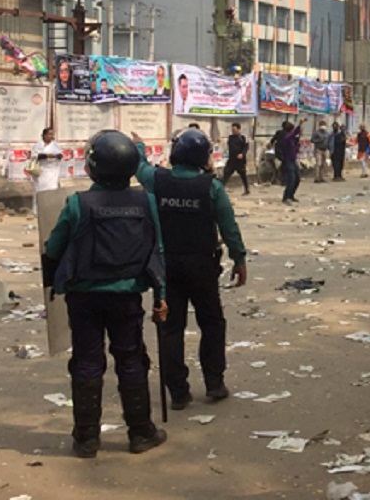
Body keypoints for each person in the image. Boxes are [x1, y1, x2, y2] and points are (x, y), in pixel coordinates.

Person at [42, 130, 168, 457]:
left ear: (93, 167)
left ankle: (86, 438)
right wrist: (161, 295)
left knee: (86, 361)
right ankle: (141, 433)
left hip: (83, 298)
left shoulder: (78, 203)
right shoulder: (146, 201)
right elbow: (158, 250)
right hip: (127, 296)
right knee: (131, 360)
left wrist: (52, 284)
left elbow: (54, 247)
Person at [133, 128, 247, 410]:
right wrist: (239, 259)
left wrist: (138, 145)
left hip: (166, 265)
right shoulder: (211, 187)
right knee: (212, 322)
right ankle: (214, 382)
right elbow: (228, 227)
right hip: (202, 265)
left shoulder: (156, 181)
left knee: (170, 327)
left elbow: (139, 166)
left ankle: (178, 392)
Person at [31, 127, 64, 216]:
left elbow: (60, 155)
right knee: (40, 190)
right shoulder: (38, 146)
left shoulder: (55, 145)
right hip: (41, 171)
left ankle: (51, 210)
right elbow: (35, 156)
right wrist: (46, 156)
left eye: (52, 134)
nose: (51, 136)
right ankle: (38, 211)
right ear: (44, 135)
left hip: (52, 171)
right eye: (49, 134)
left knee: (52, 189)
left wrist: (56, 156)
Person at [277, 119, 304, 204]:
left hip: (293, 160)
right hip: (288, 161)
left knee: (297, 179)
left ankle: (291, 195)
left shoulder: (291, 139)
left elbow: (295, 145)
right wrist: (300, 124)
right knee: (291, 179)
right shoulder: (287, 138)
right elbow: (295, 133)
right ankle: (286, 197)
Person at [222, 123, 250, 194]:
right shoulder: (230, 137)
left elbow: (246, 147)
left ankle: (247, 189)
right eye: (232, 129)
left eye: (234, 129)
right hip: (231, 160)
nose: (233, 131)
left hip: (240, 161)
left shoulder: (243, 137)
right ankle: (220, 189)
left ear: (238, 129)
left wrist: (242, 154)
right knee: (226, 173)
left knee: (243, 175)